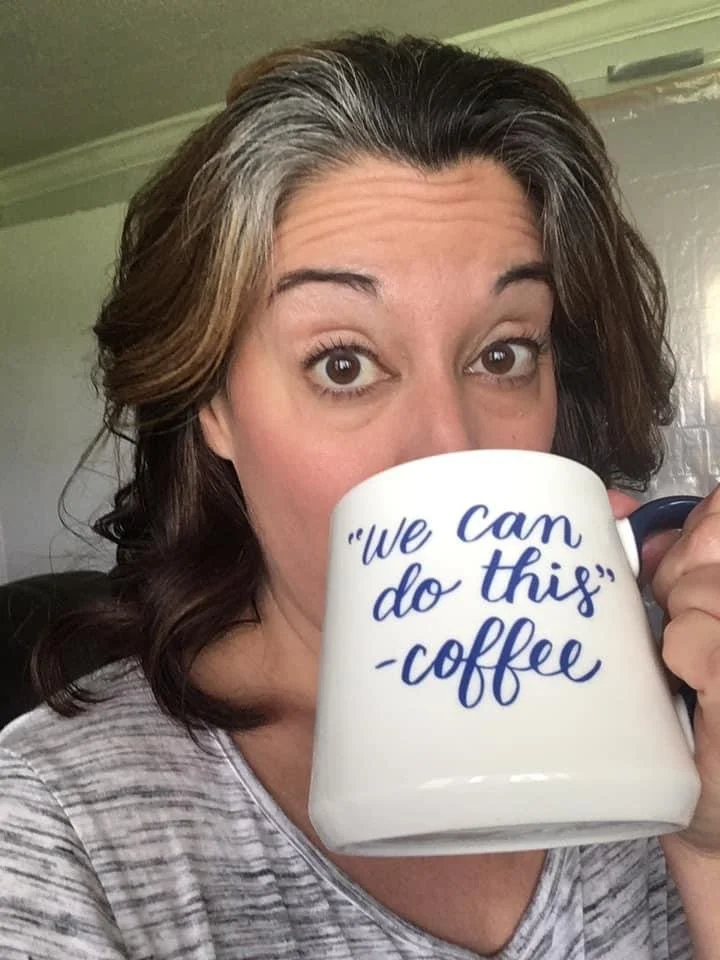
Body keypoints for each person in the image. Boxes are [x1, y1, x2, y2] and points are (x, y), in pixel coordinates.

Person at [1, 32, 719, 960]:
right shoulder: (51, 835)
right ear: (211, 406)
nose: (446, 449)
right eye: (342, 363)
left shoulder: (672, 726)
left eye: (503, 354)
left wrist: (709, 858)